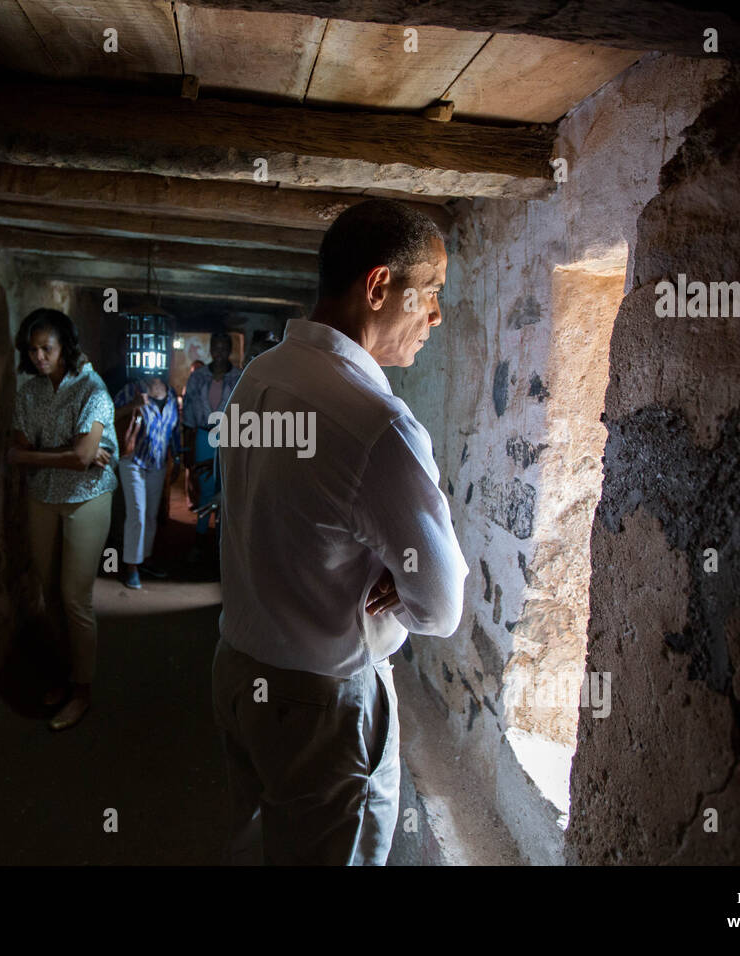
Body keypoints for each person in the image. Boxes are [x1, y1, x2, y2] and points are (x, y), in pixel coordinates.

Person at [211, 198, 469, 865]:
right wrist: (395, 575)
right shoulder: (379, 426)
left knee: (256, 843)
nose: (436, 316)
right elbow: (439, 607)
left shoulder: (258, 379)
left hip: (241, 669)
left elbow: (274, 517)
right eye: (431, 293)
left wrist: (371, 554)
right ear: (380, 286)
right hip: (322, 703)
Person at [8, 308, 118, 732]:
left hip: (86, 498)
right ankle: (63, 676)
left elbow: (82, 457)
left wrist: (46, 455)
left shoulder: (94, 391)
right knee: (48, 593)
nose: (39, 357)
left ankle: (83, 689)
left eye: (47, 348)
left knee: (75, 597)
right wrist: (70, 454)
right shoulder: (29, 393)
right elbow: (31, 449)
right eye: (33, 350)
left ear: (64, 348)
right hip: (43, 498)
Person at [112, 374, 182, 589]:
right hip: (133, 461)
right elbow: (108, 415)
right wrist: (133, 405)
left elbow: (175, 430)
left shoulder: (171, 394)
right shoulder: (131, 390)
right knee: (137, 513)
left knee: (151, 515)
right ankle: (131, 566)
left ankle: (145, 559)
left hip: (158, 463)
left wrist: (177, 456)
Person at [181, 332, 242, 560]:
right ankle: (200, 540)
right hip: (204, 436)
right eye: (215, 348)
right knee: (205, 490)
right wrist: (187, 449)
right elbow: (187, 413)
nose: (219, 353)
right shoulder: (198, 377)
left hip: (230, 437)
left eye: (223, 348)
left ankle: (221, 545)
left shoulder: (239, 376)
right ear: (210, 350)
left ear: (230, 350)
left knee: (225, 489)